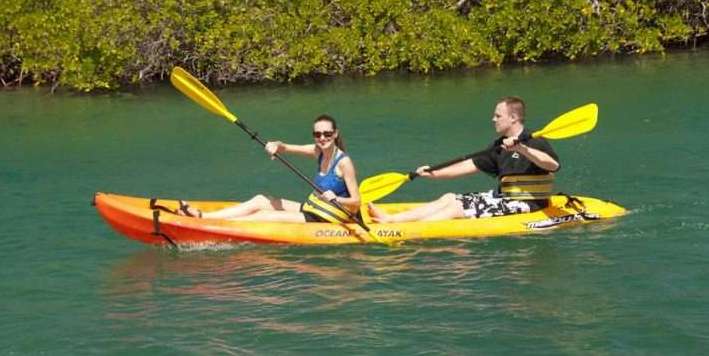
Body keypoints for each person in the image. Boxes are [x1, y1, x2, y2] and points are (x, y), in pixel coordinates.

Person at [367, 97, 560, 223]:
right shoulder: (499, 145)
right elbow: (468, 165)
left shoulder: (535, 140)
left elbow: (552, 165)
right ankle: (392, 220)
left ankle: (408, 229)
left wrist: (521, 148)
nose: (493, 119)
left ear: (513, 117)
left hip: (529, 204)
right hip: (503, 198)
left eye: (497, 115)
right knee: (450, 197)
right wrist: (432, 174)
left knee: (457, 208)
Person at [179, 115, 360, 223]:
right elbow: (285, 147)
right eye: (317, 134)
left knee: (264, 215)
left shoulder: (344, 162)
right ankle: (204, 217)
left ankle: (212, 225)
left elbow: (356, 202)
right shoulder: (317, 151)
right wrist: (274, 145)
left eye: (327, 134)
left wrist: (336, 198)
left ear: (335, 134)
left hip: (330, 216)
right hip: (314, 208)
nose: (322, 138)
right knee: (260, 200)